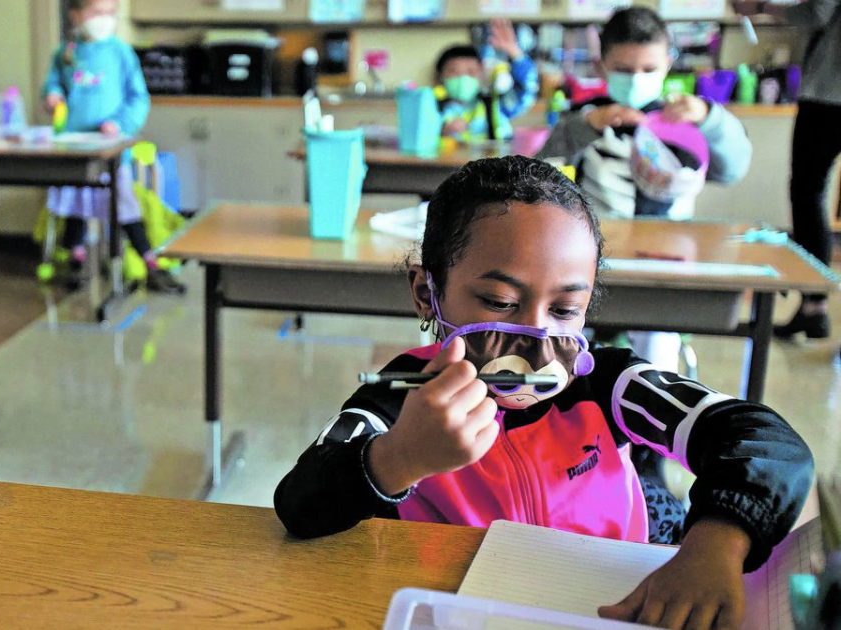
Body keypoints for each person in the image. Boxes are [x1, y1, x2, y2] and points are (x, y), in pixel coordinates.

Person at [274, 156, 813, 630]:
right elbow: (300, 504)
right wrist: (399, 457)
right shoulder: (401, 399)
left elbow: (767, 444)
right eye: (500, 302)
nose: (534, 345)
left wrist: (716, 542)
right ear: (426, 292)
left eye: (563, 311)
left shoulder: (608, 384)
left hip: (608, 607)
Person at [538, 6, 753, 372]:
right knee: (567, 338)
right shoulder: (586, 115)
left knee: (657, 344)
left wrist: (709, 117)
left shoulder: (686, 120)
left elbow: (732, 169)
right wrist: (586, 124)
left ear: (668, 63)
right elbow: (542, 171)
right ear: (602, 64)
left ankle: (649, 414)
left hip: (668, 263)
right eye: (623, 69)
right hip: (593, 258)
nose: (636, 79)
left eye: (648, 69)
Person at [42, 0, 184, 295]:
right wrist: (53, 96)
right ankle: (75, 258)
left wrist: (119, 124)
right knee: (75, 202)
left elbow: (138, 99)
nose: (103, 20)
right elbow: (53, 84)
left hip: (111, 149)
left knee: (124, 204)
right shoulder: (67, 53)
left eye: (110, 13)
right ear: (76, 15)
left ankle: (150, 262)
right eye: (96, 13)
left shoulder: (120, 53)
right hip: (75, 147)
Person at [734, 0, 840, 341]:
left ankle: (814, 307)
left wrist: (760, 6)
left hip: (830, 93)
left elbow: (815, 13)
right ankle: (813, 309)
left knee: (808, 192)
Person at [434, 19, 540, 143]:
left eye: (471, 72)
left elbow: (528, 90)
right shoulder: (434, 107)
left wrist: (515, 54)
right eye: (454, 72)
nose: (463, 78)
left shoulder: (496, 104)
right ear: (440, 77)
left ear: (481, 74)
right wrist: (442, 130)